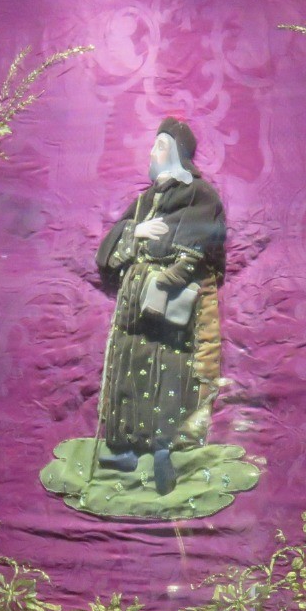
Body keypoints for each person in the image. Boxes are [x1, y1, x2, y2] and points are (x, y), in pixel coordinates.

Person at [92, 118, 226, 495]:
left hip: (169, 296)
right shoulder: (144, 201)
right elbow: (108, 250)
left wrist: (166, 279)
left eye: (159, 146)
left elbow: (200, 246)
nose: (151, 153)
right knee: (127, 363)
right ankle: (125, 448)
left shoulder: (200, 195)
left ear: (176, 152)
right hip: (133, 299)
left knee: (167, 367)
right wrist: (135, 232)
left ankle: (164, 450)